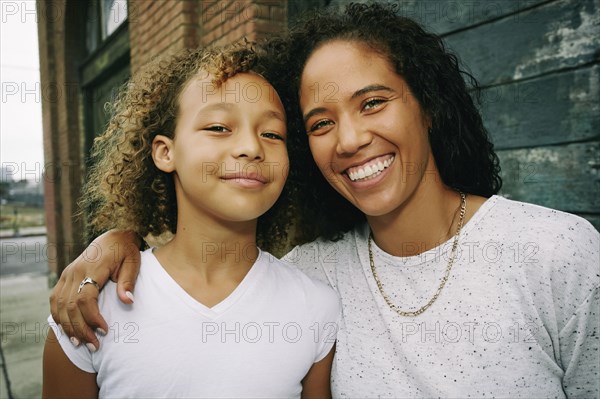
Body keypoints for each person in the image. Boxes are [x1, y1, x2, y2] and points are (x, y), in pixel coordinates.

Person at [49, 3, 599, 398]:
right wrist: (117, 239)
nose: (350, 139)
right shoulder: (316, 273)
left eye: (374, 102)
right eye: (320, 122)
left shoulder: (557, 252)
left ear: (427, 105)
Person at [42, 43, 340, 398]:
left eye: (272, 134)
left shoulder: (316, 307)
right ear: (166, 153)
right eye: (218, 127)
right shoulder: (91, 305)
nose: (251, 146)